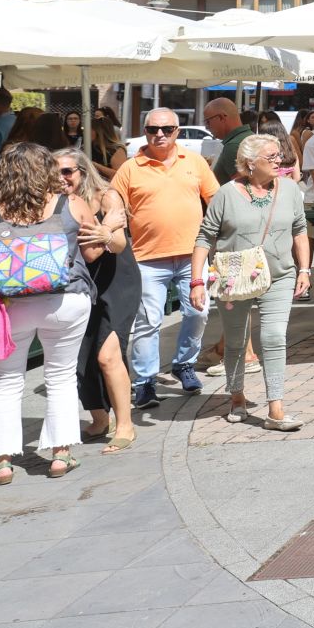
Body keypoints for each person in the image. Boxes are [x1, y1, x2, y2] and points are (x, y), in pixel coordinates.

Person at [0, 143, 103, 484]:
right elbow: (91, 254)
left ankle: (1, 462)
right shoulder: (71, 205)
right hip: (66, 302)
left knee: (4, 383)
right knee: (60, 377)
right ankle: (60, 455)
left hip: (12, 308)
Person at [190, 134, 311, 431]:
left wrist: (305, 269)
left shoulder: (290, 191)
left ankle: (276, 409)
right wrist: (197, 281)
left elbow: (299, 229)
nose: (278, 160)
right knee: (235, 340)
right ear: (249, 163)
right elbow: (205, 237)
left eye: (278, 155)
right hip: (234, 279)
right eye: (270, 157)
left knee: (273, 338)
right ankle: (237, 397)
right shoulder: (226, 194)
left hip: (280, 275)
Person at [113, 108, 219, 407]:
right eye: (152, 130)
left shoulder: (194, 162)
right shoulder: (130, 169)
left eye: (167, 129)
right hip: (147, 258)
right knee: (148, 322)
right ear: (145, 131)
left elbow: (217, 202)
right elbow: (113, 208)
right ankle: (145, 381)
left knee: (198, 313)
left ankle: (184, 363)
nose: (159, 134)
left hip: (193, 257)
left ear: (178, 131)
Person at [57, 149, 137, 455]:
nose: (62, 179)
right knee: (83, 353)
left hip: (115, 281)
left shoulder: (107, 198)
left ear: (82, 171)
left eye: (68, 172)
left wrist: (104, 231)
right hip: (78, 282)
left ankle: (125, 424)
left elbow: (118, 244)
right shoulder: (56, 203)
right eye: (56, 173)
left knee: (107, 356)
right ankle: (99, 418)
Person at [204, 98, 248, 184]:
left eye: (208, 122)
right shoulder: (248, 137)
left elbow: (240, 188)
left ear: (221, 117)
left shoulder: (233, 145)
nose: (207, 127)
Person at [90, 108, 127, 182]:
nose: (86, 132)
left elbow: (119, 175)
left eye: (90, 129)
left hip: (108, 188)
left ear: (99, 132)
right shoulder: (88, 147)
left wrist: (94, 165)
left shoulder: (116, 149)